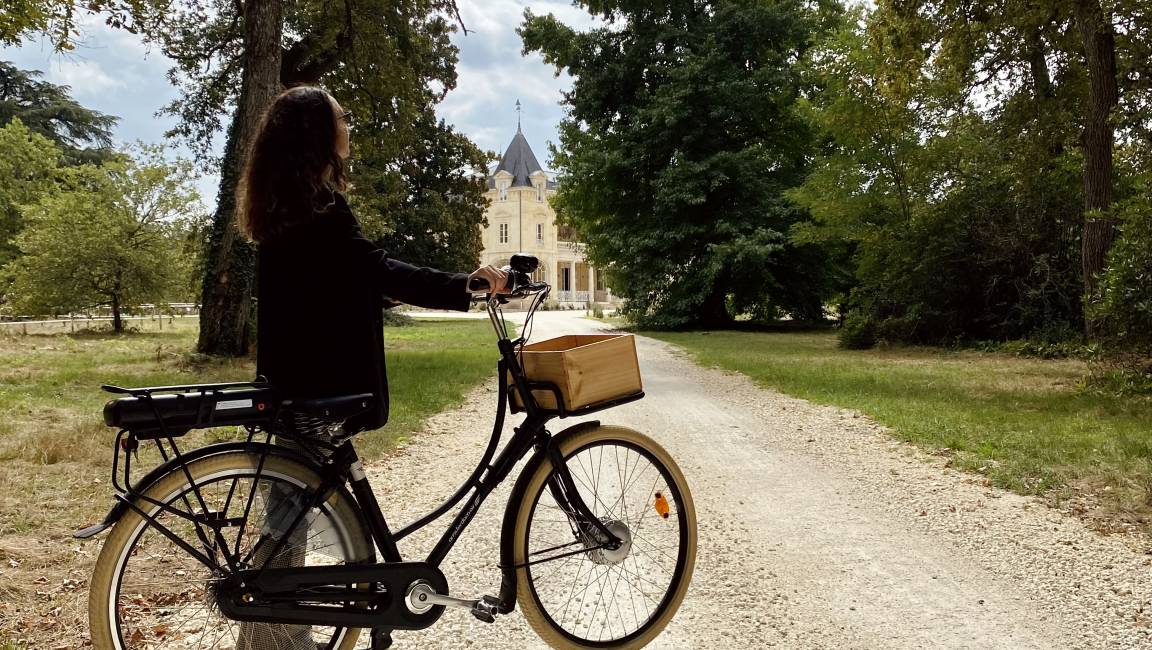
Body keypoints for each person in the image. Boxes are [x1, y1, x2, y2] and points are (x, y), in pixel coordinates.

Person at [232, 85, 508, 648]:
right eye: (342, 117)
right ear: (318, 134)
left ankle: (272, 635)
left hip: (293, 377)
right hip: (317, 384)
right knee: (290, 511)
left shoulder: (284, 202)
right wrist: (466, 285)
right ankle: (271, 639)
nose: (348, 126)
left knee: (291, 508)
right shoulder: (317, 206)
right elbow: (375, 270)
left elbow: (347, 280)